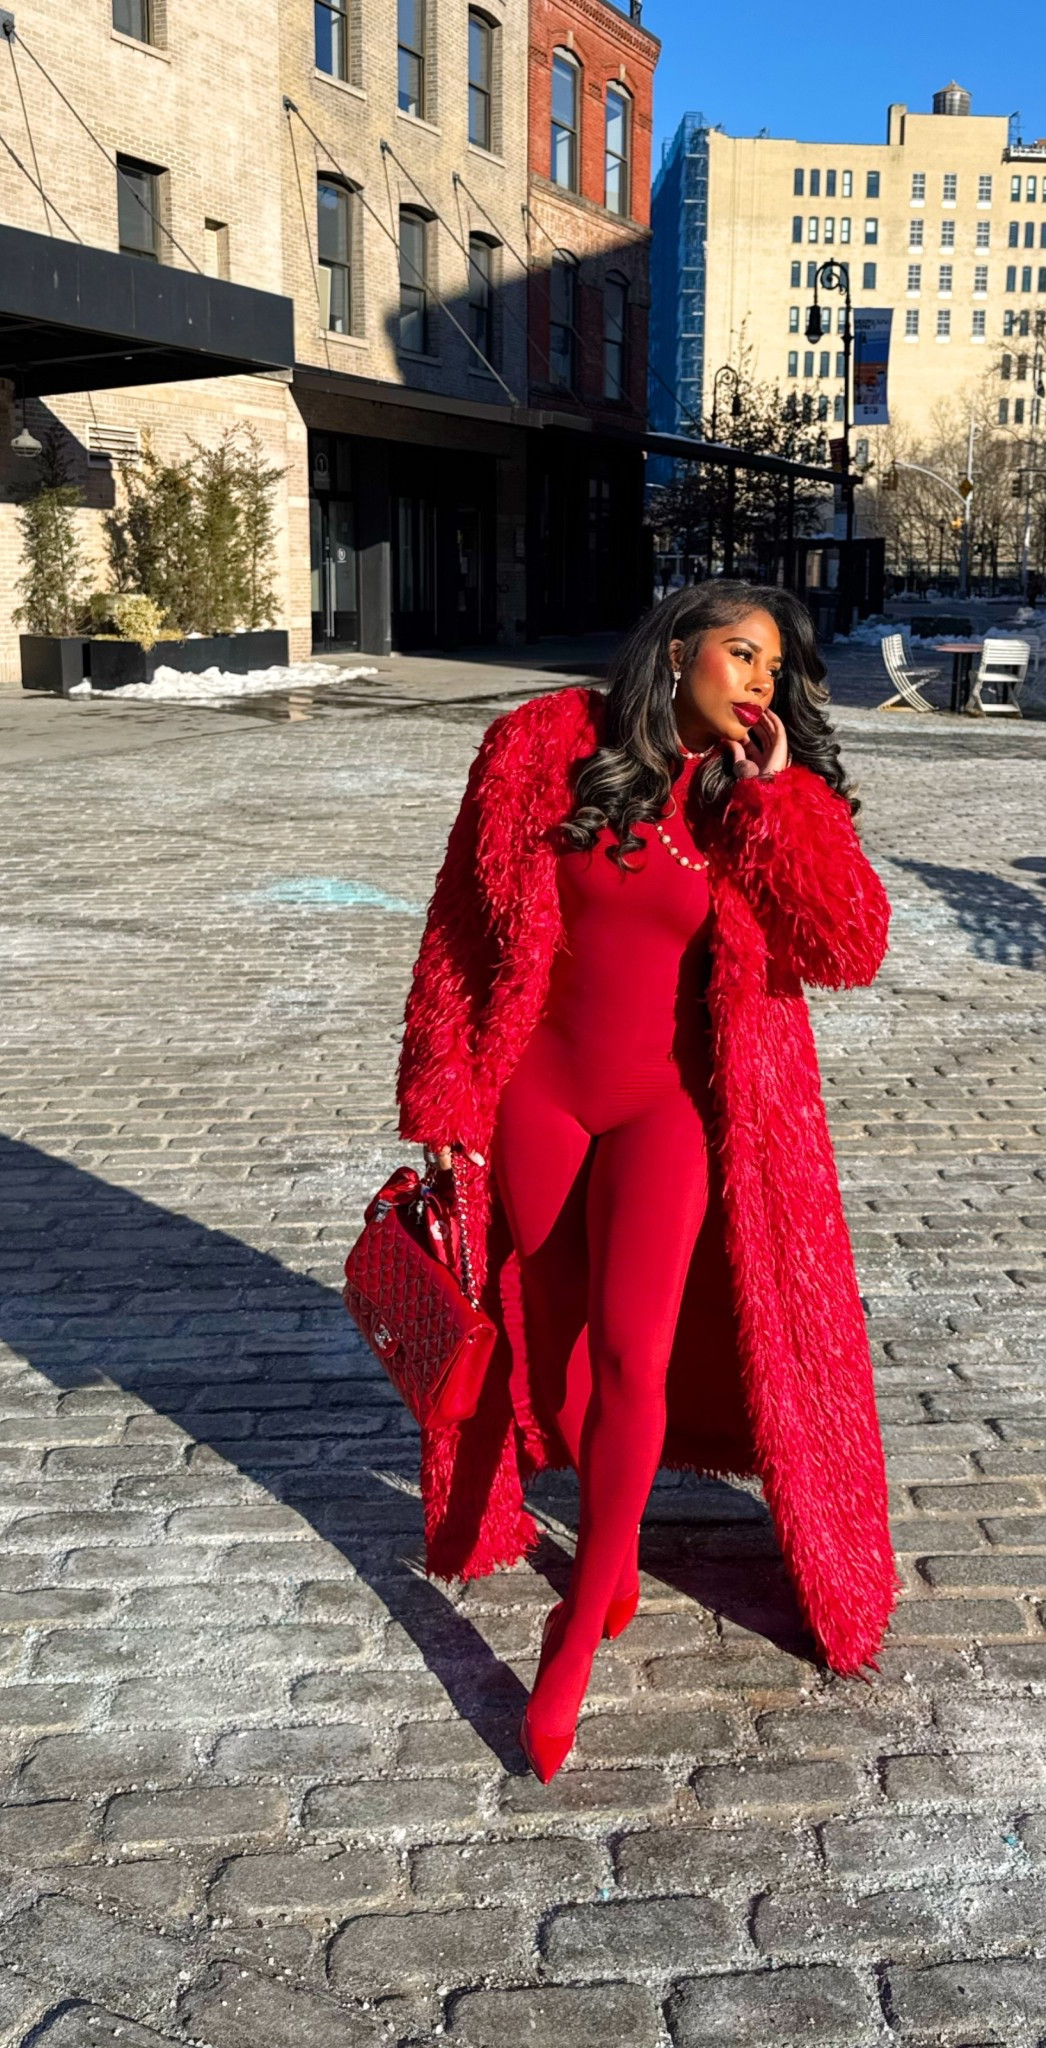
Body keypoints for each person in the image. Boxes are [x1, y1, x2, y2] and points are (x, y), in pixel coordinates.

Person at [395, 581, 897, 1781]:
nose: (761, 681)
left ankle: (577, 1623)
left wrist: (779, 802)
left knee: (634, 1351)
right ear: (675, 652)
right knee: (556, 1350)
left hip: (667, 1109)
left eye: (776, 667)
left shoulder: (755, 795)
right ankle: (611, 1543)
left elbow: (849, 946)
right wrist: (446, 1098)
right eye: (741, 653)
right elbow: (461, 925)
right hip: (538, 1096)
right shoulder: (542, 747)